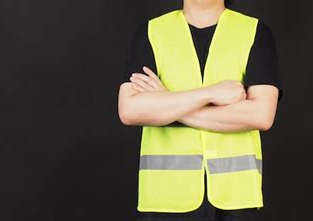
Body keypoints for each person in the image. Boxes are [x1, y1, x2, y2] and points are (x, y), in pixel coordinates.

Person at [117, 0, 283, 220]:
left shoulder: (254, 31)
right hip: (165, 199)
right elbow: (130, 110)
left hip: (235, 200)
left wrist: (166, 103)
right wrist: (211, 94)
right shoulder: (151, 32)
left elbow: (261, 115)